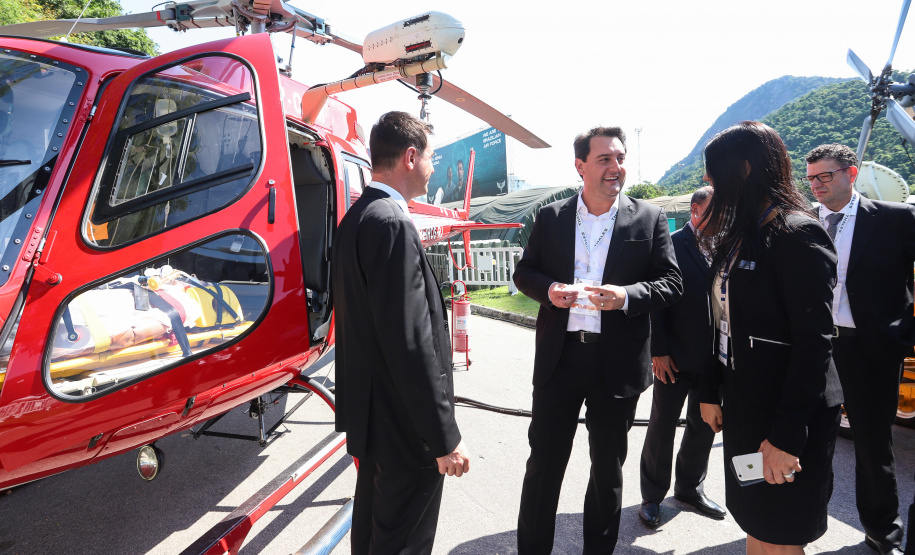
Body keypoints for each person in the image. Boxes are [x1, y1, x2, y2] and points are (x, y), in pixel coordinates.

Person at [514, 126, 682, 553]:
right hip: (560, 360)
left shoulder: (649, 217)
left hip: (617, 366)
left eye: (620, 158)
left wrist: (626, 297)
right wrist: (549, 291)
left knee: (607, 472)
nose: (616, 167)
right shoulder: (551, 217)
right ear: (580, 166)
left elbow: (671, 282)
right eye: (605, 159)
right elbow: (524, 273)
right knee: (543, 467)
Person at [698, 122, 843, 555]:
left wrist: (786, 437)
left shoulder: (797, 235)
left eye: (714, 178)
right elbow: (718, 322)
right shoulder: (743, 235)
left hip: (788, 409)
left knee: (781, 528)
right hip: (746, 402)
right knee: (756, 518)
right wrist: (710, 391)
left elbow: (814, 343)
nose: (711, 187)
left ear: (742, 170)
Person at [331, 111, 471, 554]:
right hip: (405, 427)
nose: (433, 167)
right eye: (431, 157)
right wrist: (443, 436)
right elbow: (411, 342)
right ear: (410, 156)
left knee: (375, 535)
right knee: (403, 541)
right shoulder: (391, 223)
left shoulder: (357, 218)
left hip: (375, 421)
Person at [806, 143, 915, 555]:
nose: (816, 185)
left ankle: (882, 531)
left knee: (872, 445)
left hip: (869, 349)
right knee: (810, 440)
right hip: (815, 347)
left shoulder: (896, 219)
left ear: (851, 174)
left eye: (825, 176)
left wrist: (905, 329)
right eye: (811, 177)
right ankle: (801, 523)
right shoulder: (801, 221)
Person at [637, 185, 725, 528]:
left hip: (714, 358)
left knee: (704, 426)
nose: (723, 221)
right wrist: (658, 351)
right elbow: (656, 303)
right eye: (716, 214)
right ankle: (652, 496)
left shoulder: (725, 244)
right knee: (662, 425)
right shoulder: (670, 244)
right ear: (695, 212)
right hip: (673, 354)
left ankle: (689, 488)